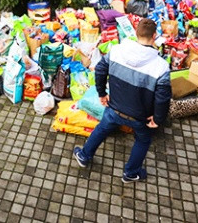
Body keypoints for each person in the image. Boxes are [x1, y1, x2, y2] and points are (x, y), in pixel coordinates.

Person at [72, 18, 171, 183]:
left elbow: (100, 70)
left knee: (102, 129)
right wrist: (158, 118)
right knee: (143, 140)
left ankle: (84, 155)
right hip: (141, 117)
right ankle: (131, 173)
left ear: (136, 33)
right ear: (154, 36)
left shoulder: (116, 51)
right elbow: (163, 98)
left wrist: (102, 93)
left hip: (114, 109)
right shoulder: (161, 67)